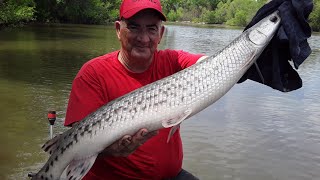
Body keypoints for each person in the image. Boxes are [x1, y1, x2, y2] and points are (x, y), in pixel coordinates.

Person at [64, 0, 207, 179]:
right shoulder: (92, 73)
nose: (144, 38)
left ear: (161, 33)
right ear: (118, 29)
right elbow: (79, 141)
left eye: (151, 29)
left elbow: (212, 64)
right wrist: (109, 149)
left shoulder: (173, 61)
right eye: (134, 27)